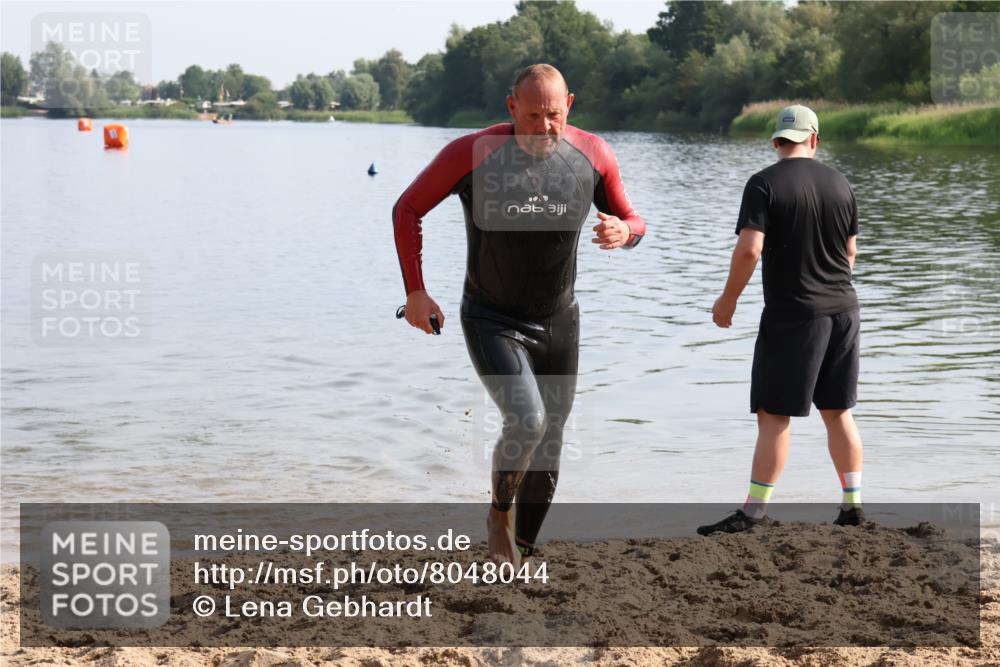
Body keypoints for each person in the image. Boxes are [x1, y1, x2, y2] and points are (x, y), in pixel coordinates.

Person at [393, 64, 645, 564]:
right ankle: (498, 515)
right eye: (533, 116)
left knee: (550, 439)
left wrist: (626, 232)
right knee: (527, 421)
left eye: (553, 115)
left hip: (559, 320)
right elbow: (408, 209)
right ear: (511, 108)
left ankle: (524, 552)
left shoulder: (594, 154)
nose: (545, 127)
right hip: (492, 318)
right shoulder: (471, 153)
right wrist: (416, 292)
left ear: (568, 104)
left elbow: (634, 219)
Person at [698, 105, 864, 535]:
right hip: (844, 311)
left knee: (773, 416)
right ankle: (852, 507)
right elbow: (850, 255)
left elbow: (750, 249)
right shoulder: (842, 184)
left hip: (794, 316)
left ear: (776, 141)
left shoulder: (763, 183)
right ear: (814, 140)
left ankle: (754, 512)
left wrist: (727, 300)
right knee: (838, 411)